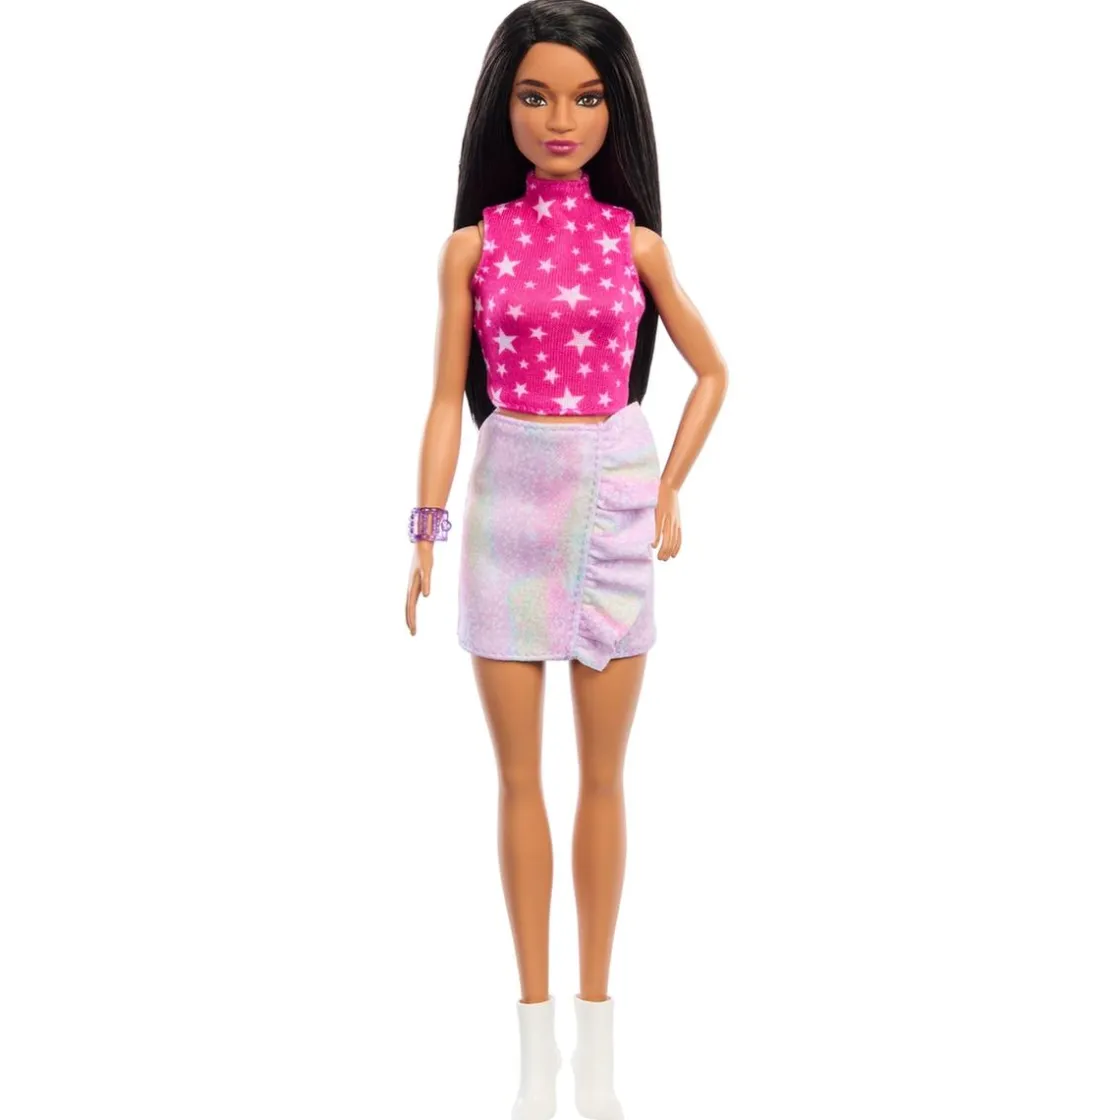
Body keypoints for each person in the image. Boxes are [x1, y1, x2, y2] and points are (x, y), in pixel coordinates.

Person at [404, 2, 727, 1116]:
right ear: (502, 106)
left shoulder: (637, 244)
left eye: (586, 98)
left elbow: (713, 371)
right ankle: (530, 1016)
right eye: (535, 95)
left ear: (614, 110)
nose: (560, 119)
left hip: (612, 497)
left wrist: (669, 486)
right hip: (508, 504)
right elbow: (442, 399)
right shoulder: (472, 246)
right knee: (515, 778)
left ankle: (599, 1010)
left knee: (599, 775)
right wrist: (425, 529)